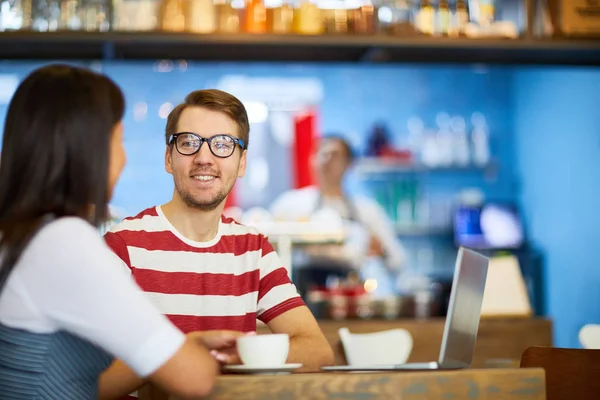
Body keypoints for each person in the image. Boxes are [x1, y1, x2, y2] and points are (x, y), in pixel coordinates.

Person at [0, 65, 229, 399]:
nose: (122, 158)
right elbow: (194, 378)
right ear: (89, 150)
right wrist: (195, 355)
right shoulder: (64, 244)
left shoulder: (21, 234)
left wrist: (185, 345)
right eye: (119, 140)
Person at [103, 89, 334, 380]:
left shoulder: (254, 251)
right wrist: (188, 354)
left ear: (241, 163)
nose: (204, 158)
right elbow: (86, 373)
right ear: (168, 158)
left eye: (222, 144)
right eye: (189, 142)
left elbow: (317, 349)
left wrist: (239, 355)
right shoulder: (123, 246)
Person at [270, 134, 407, 295]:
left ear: (348, 164)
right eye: (321, 153)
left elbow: (398, 260)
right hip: (300, 296)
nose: (326, 160)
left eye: (334, 155)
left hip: (347, 300)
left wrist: (381, 250)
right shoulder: (290, 204)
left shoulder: (366, 210)